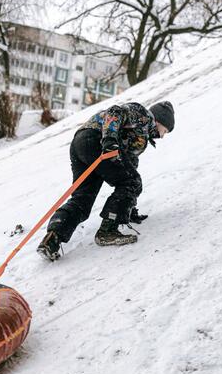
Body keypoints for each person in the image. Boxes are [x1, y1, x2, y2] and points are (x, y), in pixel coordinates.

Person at [37, 101, 175, 261]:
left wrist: (128, 207)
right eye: (165, 130)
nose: (163, 135)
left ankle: (52, 239)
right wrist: (109, 139)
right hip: (96, 139)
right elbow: (115, 111)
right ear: (160, 121)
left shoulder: (141, 136)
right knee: (132, 182)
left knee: (82, 198)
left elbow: (128, 167)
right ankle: (107, 231)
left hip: (81, 143)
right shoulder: (145, 116)